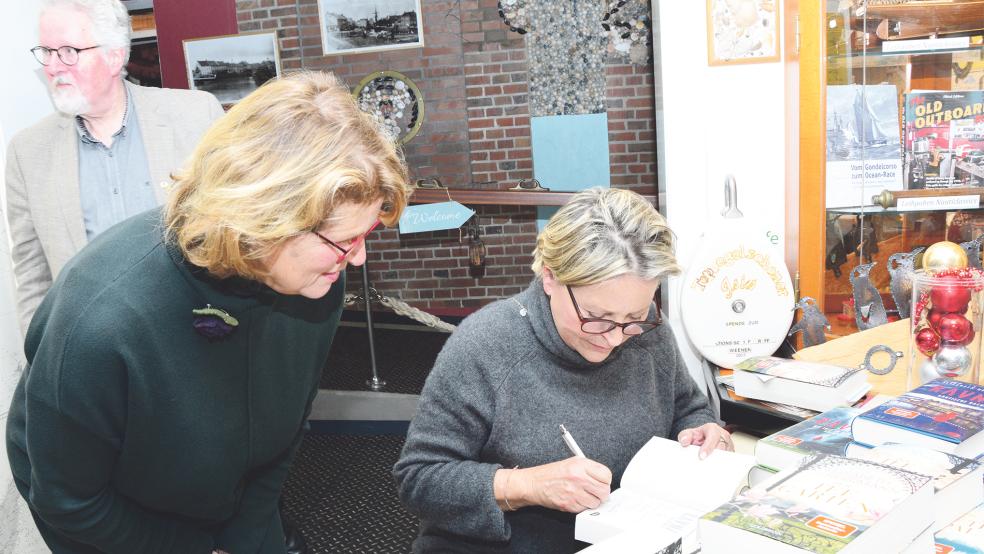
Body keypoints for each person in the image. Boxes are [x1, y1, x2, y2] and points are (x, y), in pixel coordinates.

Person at [6, 71, 411, 554]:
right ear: (266, 220)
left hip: (227, 497)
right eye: (345, 241)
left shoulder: (316, 281)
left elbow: (282, 433)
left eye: (367, 235)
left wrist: (246, 539)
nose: (358, 259)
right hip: (114, 524)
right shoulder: (99, 320)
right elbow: (70, 501)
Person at [394, 187, 731, 553]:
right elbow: (419, 479)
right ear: (551, 277)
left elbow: (687, 407)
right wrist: (528, 486)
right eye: (597, 318)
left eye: (634, 318)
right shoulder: (486, 345)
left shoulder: (649, 335)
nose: (615, 339)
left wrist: (701, 431)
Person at [5, 0, 224, 334]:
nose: (52, 66)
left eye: (67, 51)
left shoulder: (196, 118)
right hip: (91, 353)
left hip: (194, 342)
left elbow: (234, 232)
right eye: (46, 52)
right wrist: (42, 356)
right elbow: (32, 276)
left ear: (114, 56)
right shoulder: (27, 153)